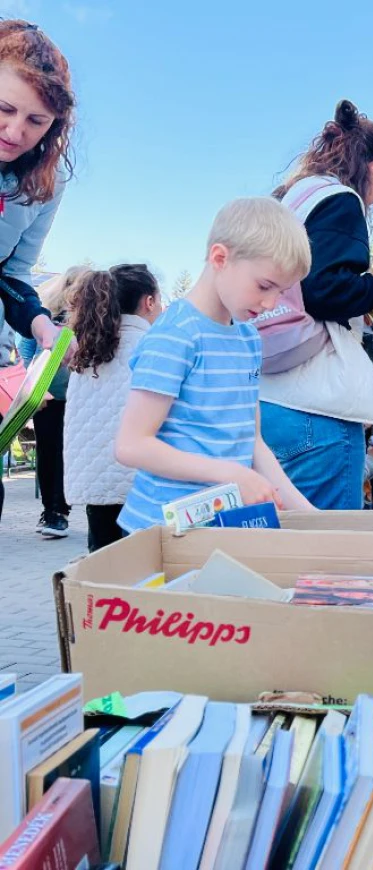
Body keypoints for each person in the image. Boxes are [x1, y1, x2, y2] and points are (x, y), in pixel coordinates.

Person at [259, 100, 373, 511]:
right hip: (320, 410)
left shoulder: (296, 198)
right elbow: (325, 290)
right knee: (326, 557)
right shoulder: (342, 200)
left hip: (273, 398)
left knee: (283, 551)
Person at [115, 198, 315, 533]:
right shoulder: (175, 336)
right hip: (161, 533)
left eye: (281, 292)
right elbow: (132, 445)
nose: (270, 303)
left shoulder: (249, 339)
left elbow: (251, 441)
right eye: (265, 286)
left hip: (223, 527)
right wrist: (231, 473)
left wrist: (311, 516)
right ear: (220, 258)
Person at [0, 21, 76, 525]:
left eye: (36, 121)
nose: (15, 132)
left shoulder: (46, 182)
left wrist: (42, 325)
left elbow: (13, 275)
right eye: (4, 109)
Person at [64, 265, 161, 551]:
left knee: (103, 562)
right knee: (144, 566)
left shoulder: (88, 349)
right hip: (142, 480)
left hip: (97, 480)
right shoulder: (155, 347)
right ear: (149, 302)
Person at [17, 270, 78, 536]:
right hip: (46, 396)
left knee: (67, 452)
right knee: (48, 451)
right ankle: (51, 512)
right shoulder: (44, 319)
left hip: (78, 398)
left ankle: (60, 509)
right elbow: (26, 353)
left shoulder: (91, 320)